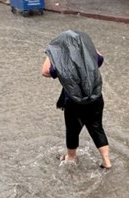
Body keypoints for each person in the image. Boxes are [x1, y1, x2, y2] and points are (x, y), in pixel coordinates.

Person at [41, 30, 112, 169]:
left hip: (74, 100)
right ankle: (106, 162)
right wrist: (85, 46)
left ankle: (71, 158)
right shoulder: (90, 59)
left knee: (72, 130)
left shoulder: (63, 64)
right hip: (95, 97)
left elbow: (45, 72)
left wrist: (52, 54)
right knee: (97, 127)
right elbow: (100, 57)